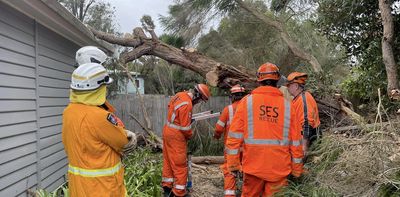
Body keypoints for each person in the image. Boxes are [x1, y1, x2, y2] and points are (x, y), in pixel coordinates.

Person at [225, 63, 303, 197]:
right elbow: (296, 142)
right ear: (277, 80)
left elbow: (234, 137)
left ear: (259, 80)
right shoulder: (288, 106)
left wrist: (233, 165)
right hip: (279, 169)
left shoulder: (247, 102)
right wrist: (296, 170)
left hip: (253, 167)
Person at [62, 63, 136, 197]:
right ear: (98, 89)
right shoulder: (100, 117)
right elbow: (123, 143)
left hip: (78, 189)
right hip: (102, 189)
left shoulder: (68, 113)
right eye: (105, 87)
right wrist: (127, 134)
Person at [162, 84, 211, 197]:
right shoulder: (187, 104)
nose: (198, 103)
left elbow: (171, 107)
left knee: (168, 161)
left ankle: (167, 187)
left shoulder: (179, 95)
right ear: (197, 96)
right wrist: (190, 135)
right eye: (200, 100)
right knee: (180, 165)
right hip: (176, 136)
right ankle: (179, 192)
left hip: (168, 130)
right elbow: (185, 128)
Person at [214, 84, 247, 196]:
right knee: (248, 171)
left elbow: (218, 128)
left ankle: (230, 194)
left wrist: (217, 136)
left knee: (230, 172)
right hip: (248, 148)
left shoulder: (228, 110)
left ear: (232, 97)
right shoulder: (250, 109)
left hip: (232, 149)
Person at [286, 72, 320, 153]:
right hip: (299, 141)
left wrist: (304, 148)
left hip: (308, 142)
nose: (287, 88)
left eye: (289, 85)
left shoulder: (303, 99)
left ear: (296, 86)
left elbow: (307, 125)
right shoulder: (297, 99)